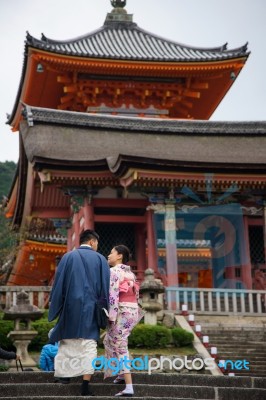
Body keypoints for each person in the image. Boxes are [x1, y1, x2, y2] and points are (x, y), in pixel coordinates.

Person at [48, 229, 110, 396]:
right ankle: (85, 384)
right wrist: (105, 311)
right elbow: (105, 288)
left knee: (67, 340)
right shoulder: (100, 259)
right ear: (91, 242)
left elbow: (58, 284)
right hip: (91, 308)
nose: (97, 245)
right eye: (96, 242)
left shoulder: (67, 257)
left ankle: (64, 376)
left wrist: (56, 306)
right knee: (88, 344)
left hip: (70, 307)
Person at [104, 244, 144, 397]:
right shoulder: (130, 274)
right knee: (110, 340)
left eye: (111, 252)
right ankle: (121, 374)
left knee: (120, 345)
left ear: (119, 255)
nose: (108, 255)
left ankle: (129, 386)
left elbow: (113, 296)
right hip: (132, 310)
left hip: (121, 310)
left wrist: (111, 317)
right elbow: (136, 295)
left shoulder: (113, 272)